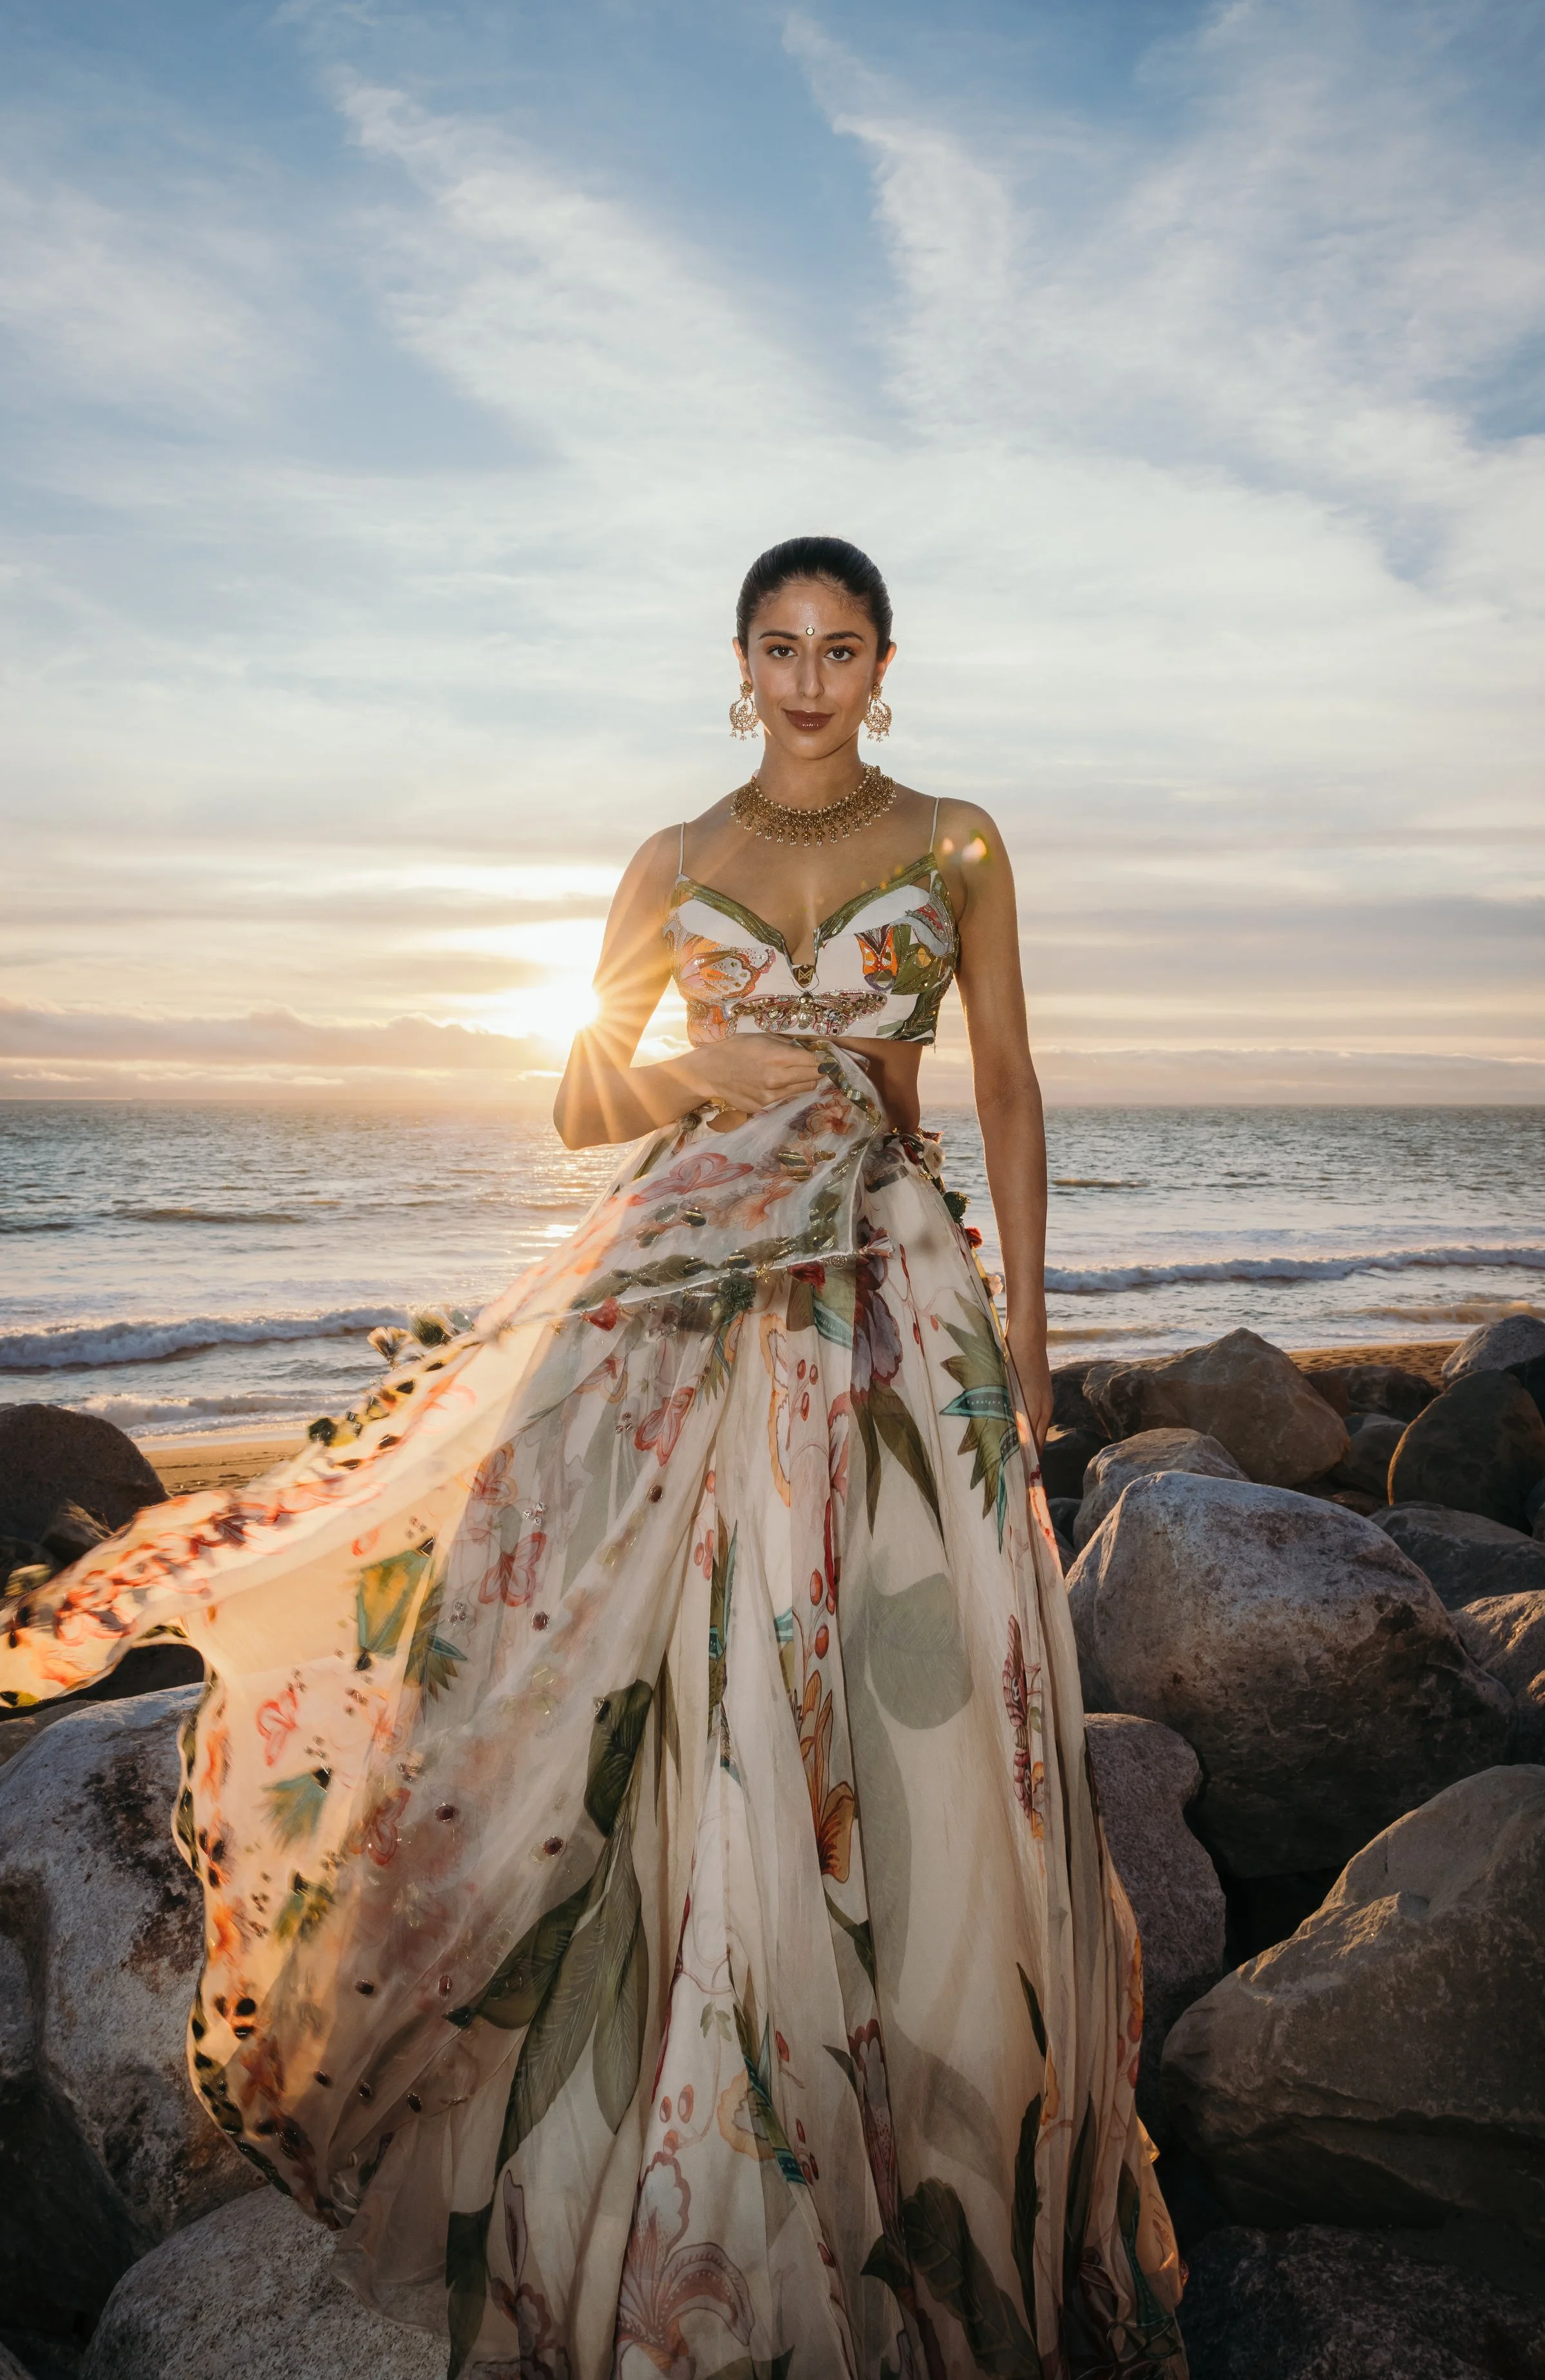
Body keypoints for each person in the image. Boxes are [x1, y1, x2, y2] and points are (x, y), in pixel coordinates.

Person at [0, 537, 1186, 2380]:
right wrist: (703, 1083)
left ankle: (895, 2137)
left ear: (887, 663)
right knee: (652, 1666)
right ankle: (681, 2116)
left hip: (884, 1292)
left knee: (914, 1691)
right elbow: (578, 1091)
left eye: (841, 647)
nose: (809, 678)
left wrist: (1026, 1341)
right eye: (778, 648)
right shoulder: (672, 860)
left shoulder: (956, 840)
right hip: (679, 1277)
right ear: (737, 663)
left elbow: (1011, 1086)